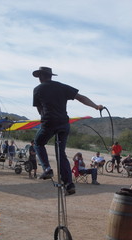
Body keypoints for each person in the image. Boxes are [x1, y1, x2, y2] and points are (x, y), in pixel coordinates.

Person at [32, 66, 103, 195]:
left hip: (48, 122)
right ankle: (69, 184)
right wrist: (96, 106)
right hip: (64, 123)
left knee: (38, 143)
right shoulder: (62, 86)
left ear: (41, 76)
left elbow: (39, 109)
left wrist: (44, 120)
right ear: (51, 76)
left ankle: (47, 168)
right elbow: (81, 98)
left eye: (39, 77)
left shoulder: (37, 89)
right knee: (61, 153)